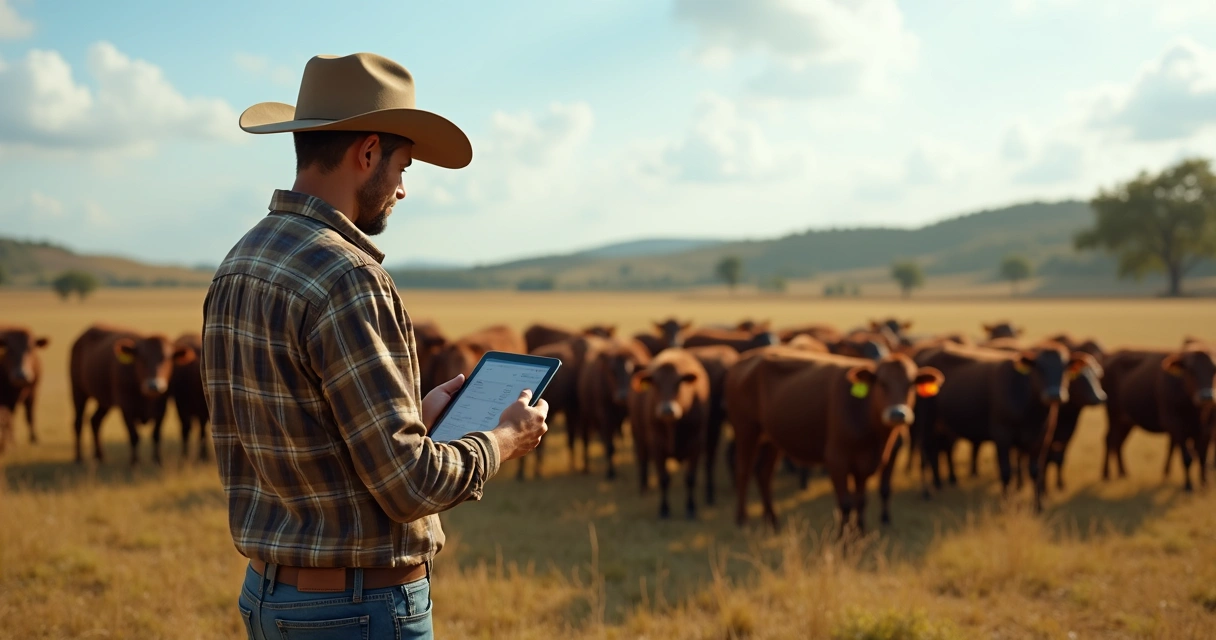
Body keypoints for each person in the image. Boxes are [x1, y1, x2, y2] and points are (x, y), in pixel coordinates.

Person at [201, 52, 549, 639]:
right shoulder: (349, 278)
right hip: (355, 609)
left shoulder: (239, 262)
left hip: (270, 596)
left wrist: (418, 418)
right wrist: (502, 439)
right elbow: (410, 485)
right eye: (403, 166)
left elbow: (308, 432)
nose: (403, 189)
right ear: (367, 154)